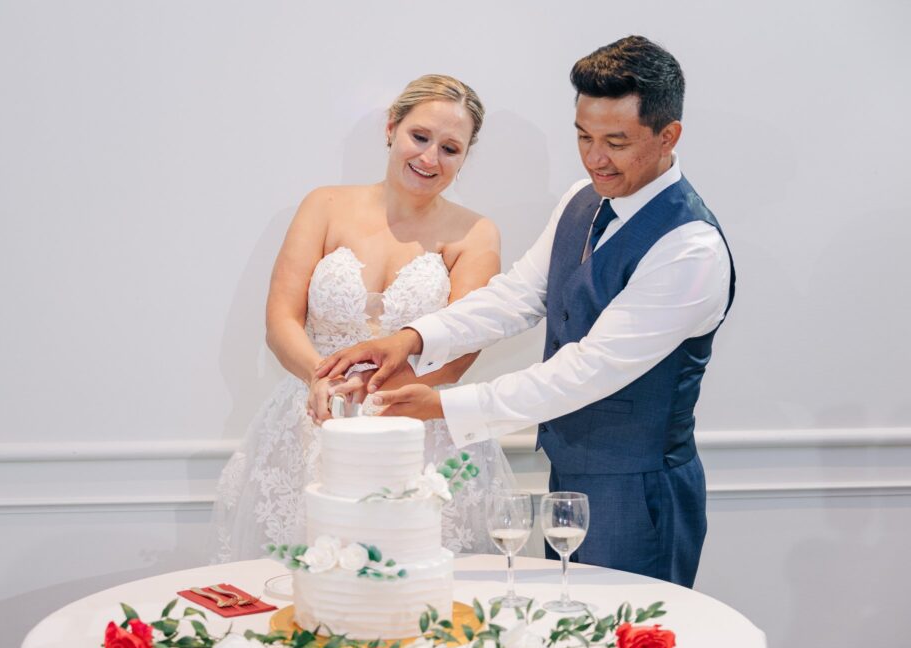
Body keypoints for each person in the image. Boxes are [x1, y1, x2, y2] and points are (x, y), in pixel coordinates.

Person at [317, 37, 736, 588]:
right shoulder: (581, 199)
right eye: (584, 137)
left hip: (642, 488)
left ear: (668, 136)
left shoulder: (690, 248)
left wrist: (442, 404)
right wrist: (413, 338)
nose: (595, 158)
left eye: (616, 141)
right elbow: (516, 295)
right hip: (571, 474)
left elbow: (585, 371)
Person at [209, 74, 516, 563]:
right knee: (307, 582)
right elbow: (280, 320)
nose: (430, 159)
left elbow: (461, 348)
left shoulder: (475, 233)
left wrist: (381, 394)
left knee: (415, 583)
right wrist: (322, 378)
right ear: (392, 128)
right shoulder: (325, 205)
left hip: (415, 424)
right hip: (313, 416)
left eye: (451, 149)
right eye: (420, 137)